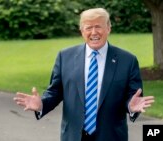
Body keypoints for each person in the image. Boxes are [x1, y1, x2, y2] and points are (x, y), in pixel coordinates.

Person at [13, 8, 154, 141]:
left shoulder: (127, 60)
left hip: (111, 136)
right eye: (88, 27)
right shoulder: (65, 56)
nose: (94, 32)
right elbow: (55, 92)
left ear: (108, 28)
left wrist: (131, 106)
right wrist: (42, 104)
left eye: (98, 26)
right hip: (74, 136)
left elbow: (133, 96)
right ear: (82, 31)